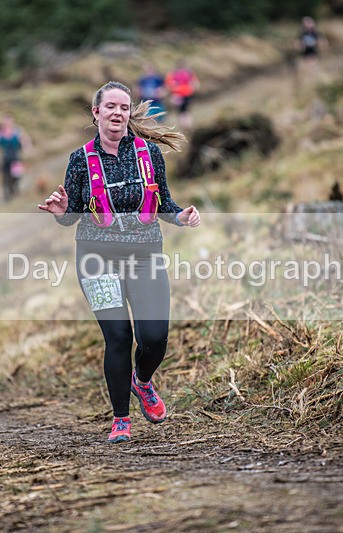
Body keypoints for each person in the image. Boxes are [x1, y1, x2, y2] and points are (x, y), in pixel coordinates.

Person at [38, 81, 200, 444]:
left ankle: (141, 381)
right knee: (118, 337)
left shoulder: (149, 153)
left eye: (124, 107)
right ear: (96, 112)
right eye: (110, 106)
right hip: (96, 259)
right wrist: (62, 212)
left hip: (145, 256)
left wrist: (182, 217)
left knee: (154, 338)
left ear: (129, 113)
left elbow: (164, 203)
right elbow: (71, 215)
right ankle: (121, 420)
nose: (117, 113)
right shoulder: (80, 160)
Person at [0, 114, 32, 200]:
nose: (7, 123)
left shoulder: (18, 130)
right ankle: (7, 194)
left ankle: (14, 189)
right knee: (5, 176)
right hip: (5, 157)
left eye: (9, 121)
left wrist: (26, 147)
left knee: (16, 176)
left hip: (15, 156)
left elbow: (25, 139)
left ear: (12, 122)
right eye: (5, 122)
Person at [164, 60, 200, 132]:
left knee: (182, 112)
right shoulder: (188, 72)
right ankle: (188, 128)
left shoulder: (173, 73)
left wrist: (172, 91)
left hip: (179, 94)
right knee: (185, 111)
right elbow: (196, 84)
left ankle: (185, 128)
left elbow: (168, 85)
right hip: (185, 93)